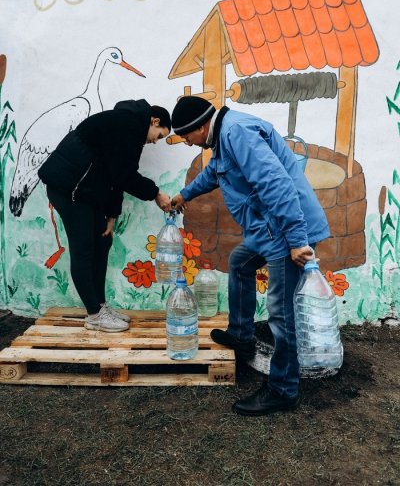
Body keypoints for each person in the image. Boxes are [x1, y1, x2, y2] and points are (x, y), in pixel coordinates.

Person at [170, 96, 330, 416]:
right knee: (240, 263)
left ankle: (283, 389)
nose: (187, 143)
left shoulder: (236, 132)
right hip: (267, 229)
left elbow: (276, 184)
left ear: (201, 127)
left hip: (286, 231)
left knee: (281, 312)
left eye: (186, 136)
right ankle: (241, 337)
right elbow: (215, 173)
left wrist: (297, 240)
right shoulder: (224, 136)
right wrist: (183, 195)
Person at [38, 99, 171, 333]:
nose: (154, 141)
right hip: (67, 188)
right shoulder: (127, 124)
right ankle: (94, 315)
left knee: (102, 241)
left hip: (88, 191)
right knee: (84, 248)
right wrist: (156, 194)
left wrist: (111, 215)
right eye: (159, 135)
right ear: (155, 120)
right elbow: (124, 176)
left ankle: (100, 306)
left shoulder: (131, 129)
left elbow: (116, 175)